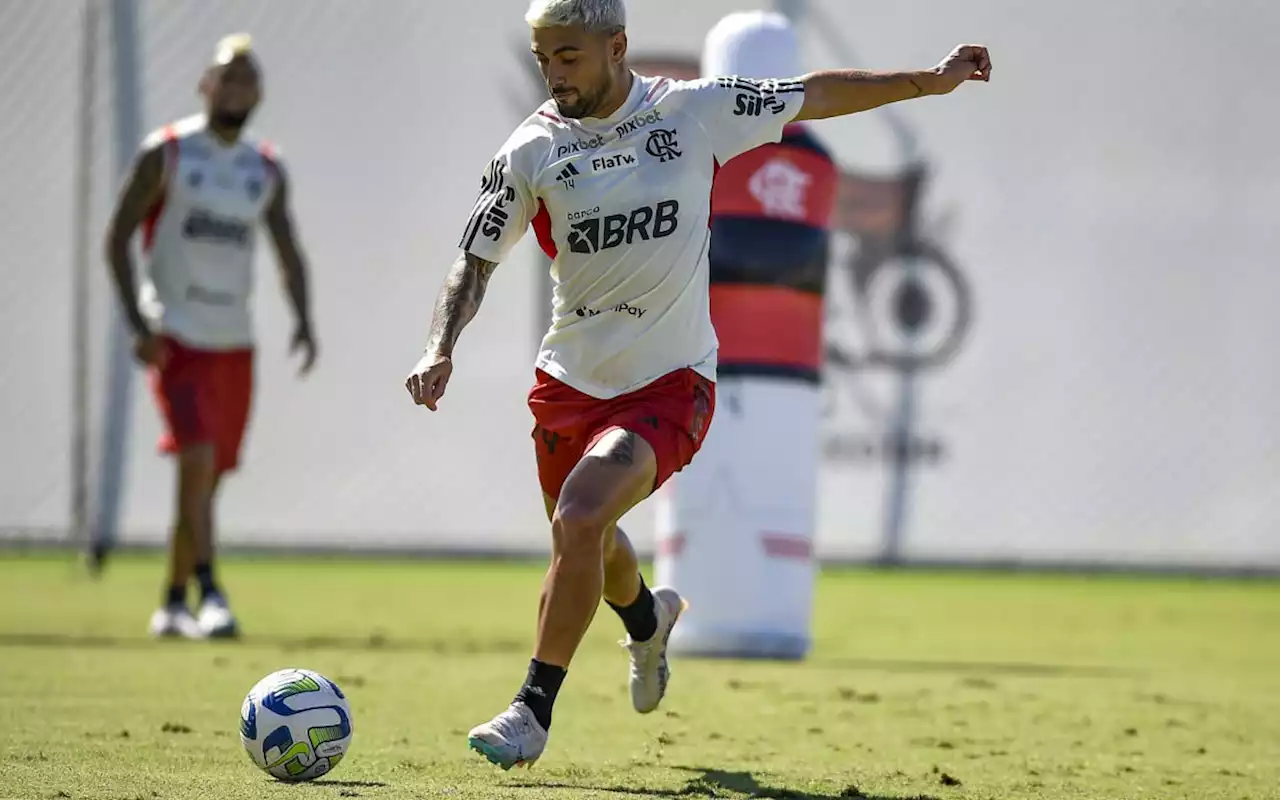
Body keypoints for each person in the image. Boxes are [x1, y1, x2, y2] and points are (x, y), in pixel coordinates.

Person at [404, 0, 990, 770]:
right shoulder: (530, 149)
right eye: (544, 57)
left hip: (669, 384)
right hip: (568, 384)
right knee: (589, 539)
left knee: (579, 519)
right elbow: (474, 259)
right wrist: (438, 345)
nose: (554, 73)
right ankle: (649, 622)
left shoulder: (691, 113)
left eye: (569, 56)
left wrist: (928, 80)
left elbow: (812, 92)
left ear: (617, 47)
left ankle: (531, 709)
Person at [104, 33, 317, 640]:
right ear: (206, 85)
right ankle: (211, 593)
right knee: (195, 462)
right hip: (176, 337)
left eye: (248, 79)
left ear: (259, 93)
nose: (236, 88)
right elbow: (115, 238)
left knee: (205, 480)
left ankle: (171, 601)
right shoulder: (167, 153)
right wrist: (138, 324)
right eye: (227, 77)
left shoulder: (264, 167)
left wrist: (303, 317)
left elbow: (287, 247)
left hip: (235, 342)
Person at [655, 10, 839, 662]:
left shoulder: (735, 151)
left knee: (758, 499)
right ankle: (699, 619)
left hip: (747, 365)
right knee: (710, 498)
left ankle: (735, 619)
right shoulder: (799, 157)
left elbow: (763, 249)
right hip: (720, 363)